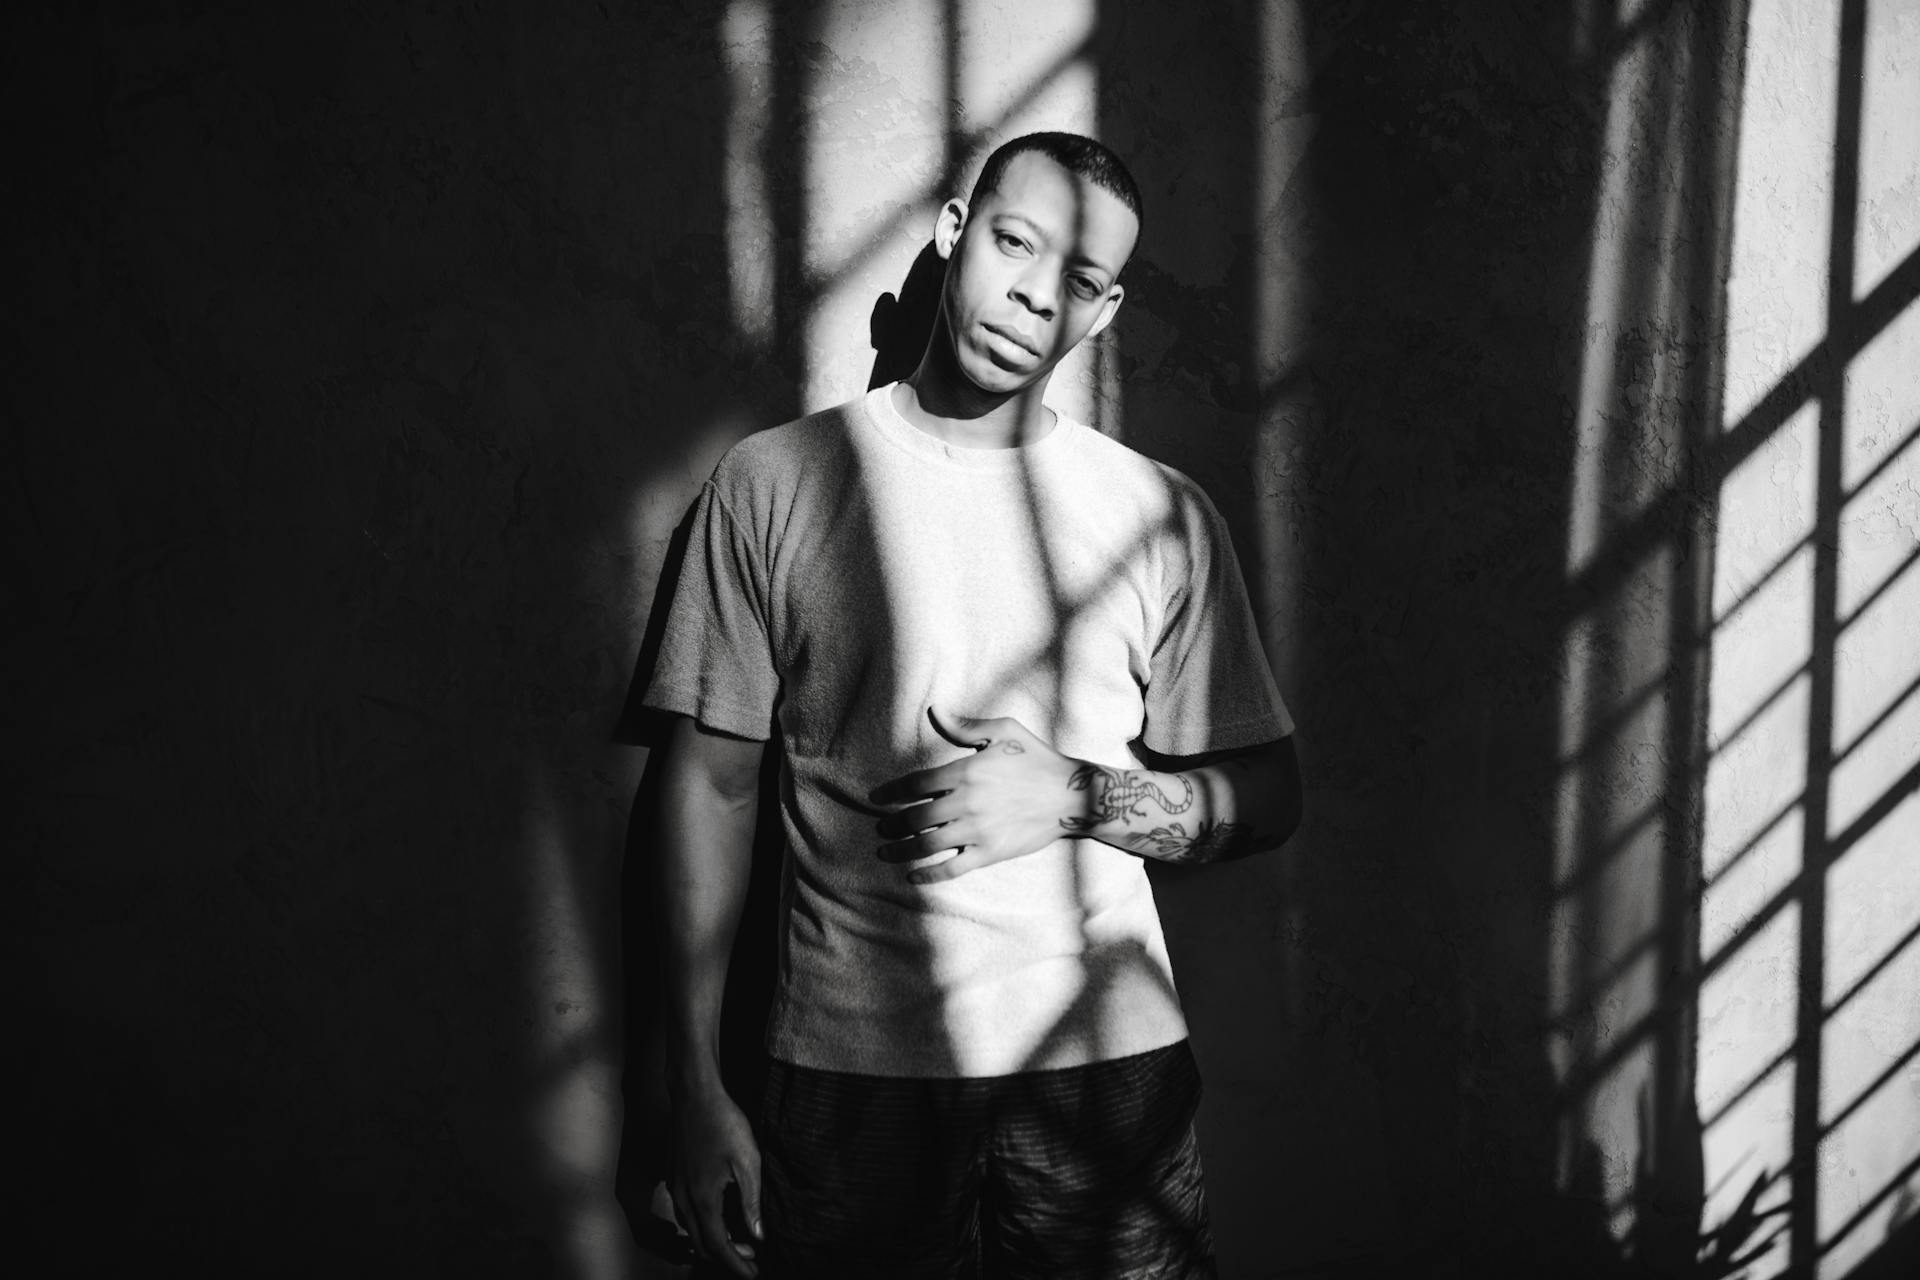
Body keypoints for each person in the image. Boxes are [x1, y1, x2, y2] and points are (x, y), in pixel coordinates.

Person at [642, 131, 1302, 1279]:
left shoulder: (1157, 514)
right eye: (1015, 243)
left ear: (1103, 313)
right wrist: (693, 1089)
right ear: (954, 234)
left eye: (1080, 281)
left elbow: (1272, 793)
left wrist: (1081, 796)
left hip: (1110, 1069)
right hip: (851, 1076)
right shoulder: (774, 481)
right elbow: (706, 784)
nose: (1036, 296)